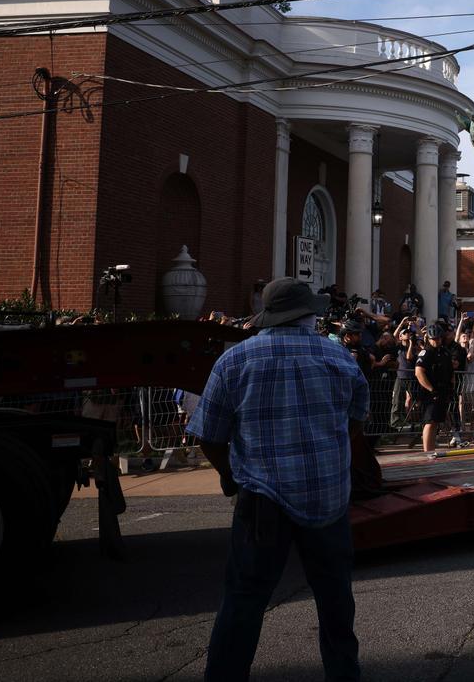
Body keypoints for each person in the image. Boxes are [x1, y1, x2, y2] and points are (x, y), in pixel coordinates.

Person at [187, 277, 366, 681]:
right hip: (328, 497)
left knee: (245, 599)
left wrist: (232, 479)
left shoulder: (235, 360)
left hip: (262, 498)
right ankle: (343, 674)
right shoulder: (339, 358)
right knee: (336, 598)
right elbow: (355, 422)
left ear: (269, 316)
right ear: (308, 315)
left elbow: (208, 436)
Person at [414, 322, 454, 454]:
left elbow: (450, 372)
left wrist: (451, 388)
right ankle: (427, 452)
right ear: (429, 339)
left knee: (436, 422)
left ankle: (431, 450)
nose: (436, 341)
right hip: (430, 392)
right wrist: (431, 389)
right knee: (430, 422)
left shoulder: (445, 352)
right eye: (433, 339)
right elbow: (419, 372)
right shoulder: (426, 353)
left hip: (443, 390)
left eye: (438, 338)